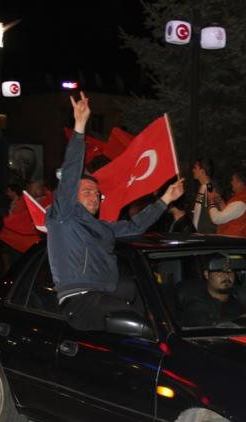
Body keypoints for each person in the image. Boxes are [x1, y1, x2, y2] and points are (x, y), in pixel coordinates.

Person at [46, 92, 184, 330]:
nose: (94, 196)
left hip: (108, 295)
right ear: (71, 196)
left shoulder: (104, 227)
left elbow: (135, 227)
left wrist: (165, 199)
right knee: (139, 327)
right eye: (86, 191)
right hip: (81, 299)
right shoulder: (63, 217)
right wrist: (80, 126)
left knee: (159, 316)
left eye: (97, 194)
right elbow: (70, 175)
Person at [177, 254, 246, 326]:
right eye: (219, 271)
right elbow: (201, 324)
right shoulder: (197, 301)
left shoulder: (242, 293)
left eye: (230, 271)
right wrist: (243, 318)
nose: (226, 275)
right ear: (207, 275)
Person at [208, 168, 246, 238]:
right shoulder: (243, 197)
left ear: (239, 183)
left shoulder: (241, 202)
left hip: (234, 243)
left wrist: (211, 201)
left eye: (233, 180)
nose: (231, 183)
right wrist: (220, 202)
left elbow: (217, 219)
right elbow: (230, 214)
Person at [190, 158, 218, 234]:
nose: (193, 170)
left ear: (202, 171)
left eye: (195, 168)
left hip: (205, 236)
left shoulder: (210, 187)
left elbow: (212, 214)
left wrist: (206, 235)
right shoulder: (202, 187)